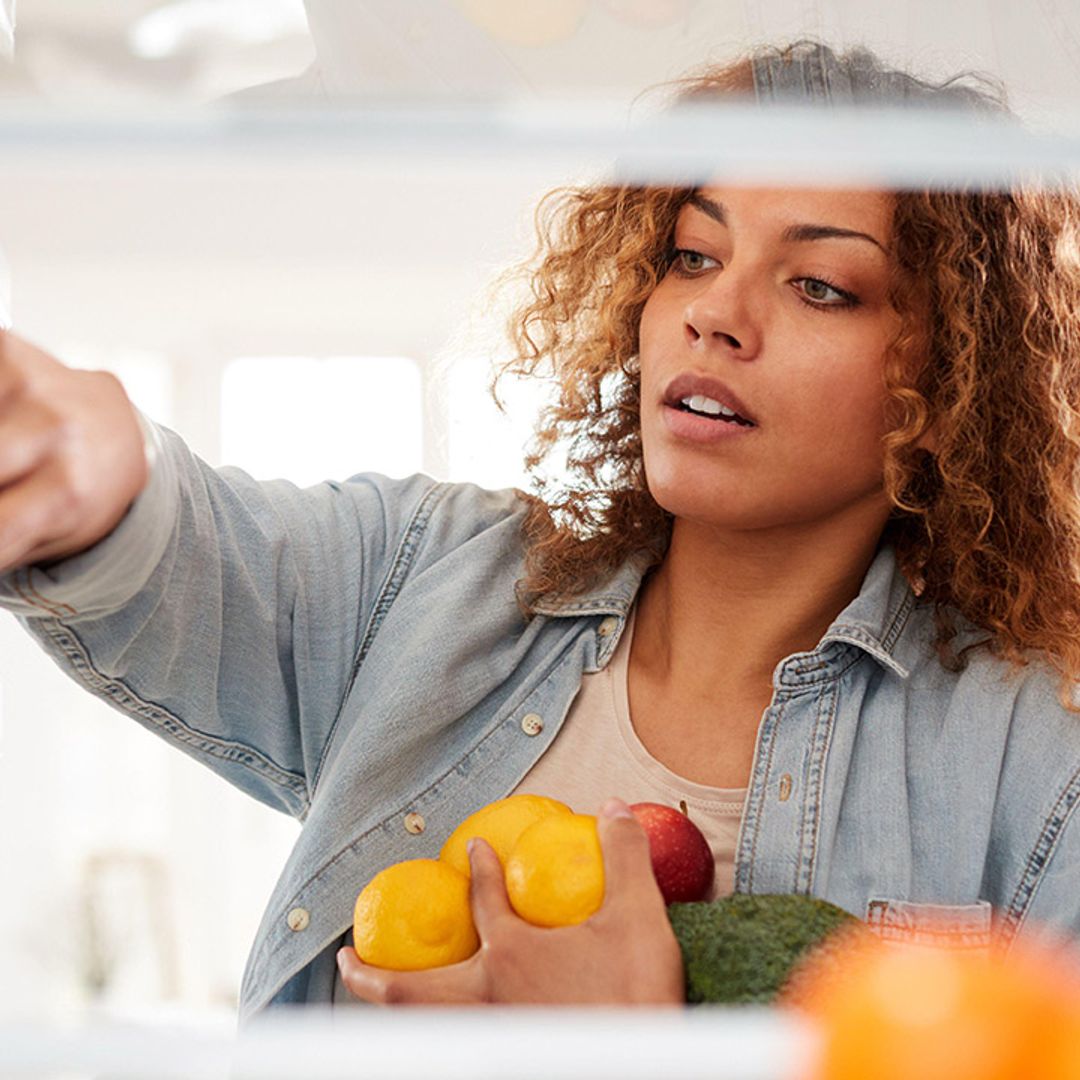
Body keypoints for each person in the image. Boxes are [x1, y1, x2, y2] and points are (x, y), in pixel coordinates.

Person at [2, 39, 1080, 1017]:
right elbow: (180, 541)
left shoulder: (1032, 771)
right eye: (694, 255)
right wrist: (97, 468)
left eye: (819, 286)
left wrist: (634, 1047)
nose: (715, 312)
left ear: (944, 385)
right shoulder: (423, 586)